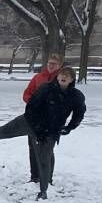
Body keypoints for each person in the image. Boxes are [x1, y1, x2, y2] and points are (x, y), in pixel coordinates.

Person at [0, 67, 85, 199]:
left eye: (67, 76)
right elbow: (31, 108)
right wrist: (38, 129)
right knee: (3, 131)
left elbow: (79, 114)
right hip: (29, 122)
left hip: (50, 131)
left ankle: (43, 191)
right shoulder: (46, 88)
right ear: (57, 76)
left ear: (72, 79)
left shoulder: (76, 96)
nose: (63, 77)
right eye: (61, 74)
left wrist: (70, 127)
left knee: (44, 159)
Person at [21, 55, 63, 183]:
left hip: (51, 121)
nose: (51, 65)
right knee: (33, 148)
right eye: (50, 63)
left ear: (59, 66)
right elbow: (26, 94)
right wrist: (34, 102)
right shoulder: (38, 78)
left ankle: (47, 178)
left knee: (47, 150)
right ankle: (35, 176)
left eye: (54, 64)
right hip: (34, 118)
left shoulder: (62, 79)